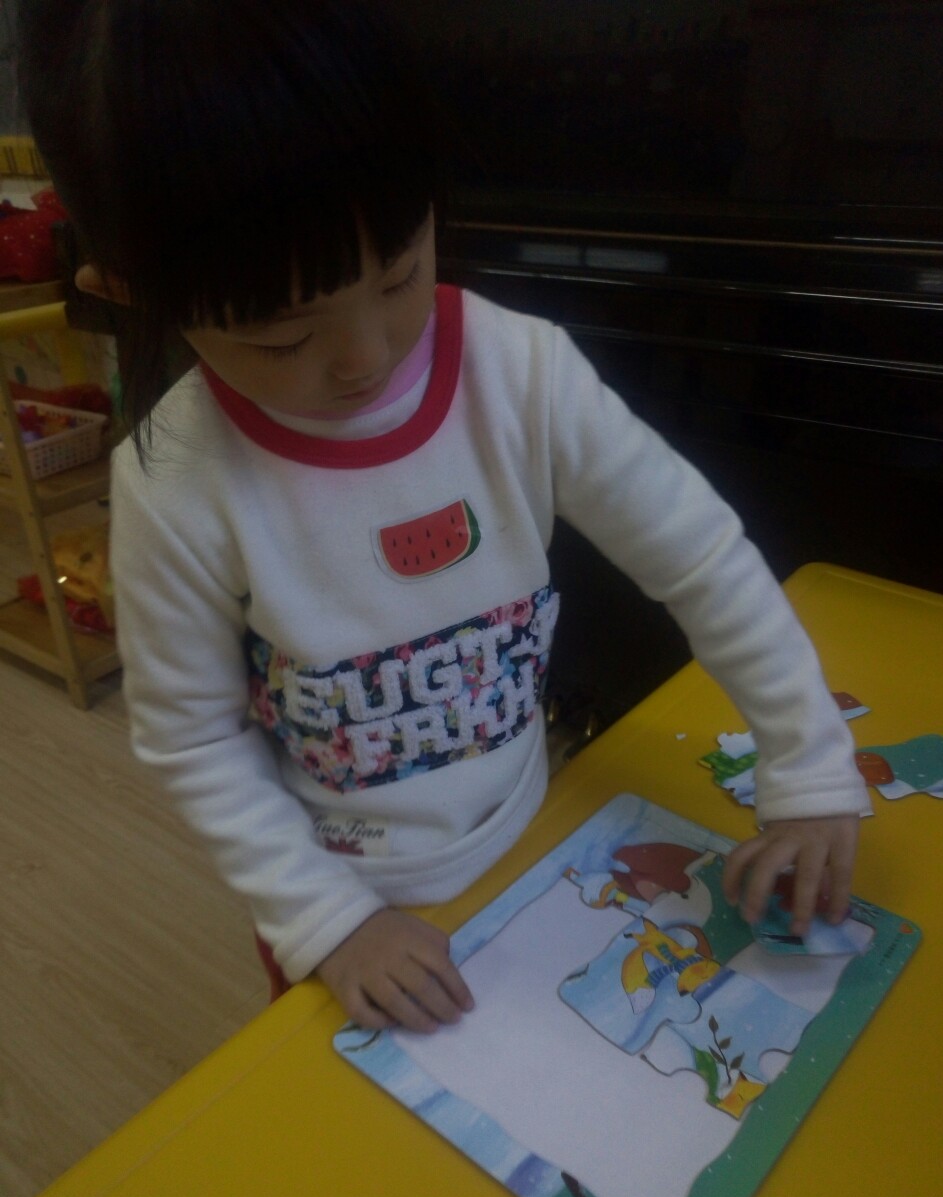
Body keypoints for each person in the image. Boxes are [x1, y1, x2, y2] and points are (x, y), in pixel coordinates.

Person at [18, 0, 867, 1035]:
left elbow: (701, 558)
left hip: (538, 835)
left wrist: (808, 763)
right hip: (345, 909)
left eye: (399, 274)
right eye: (283, 338)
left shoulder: (522, 373)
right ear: (127, 289)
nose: (365, 358)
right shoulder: (176, 481)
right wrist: (330, 922)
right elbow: (193, 739)